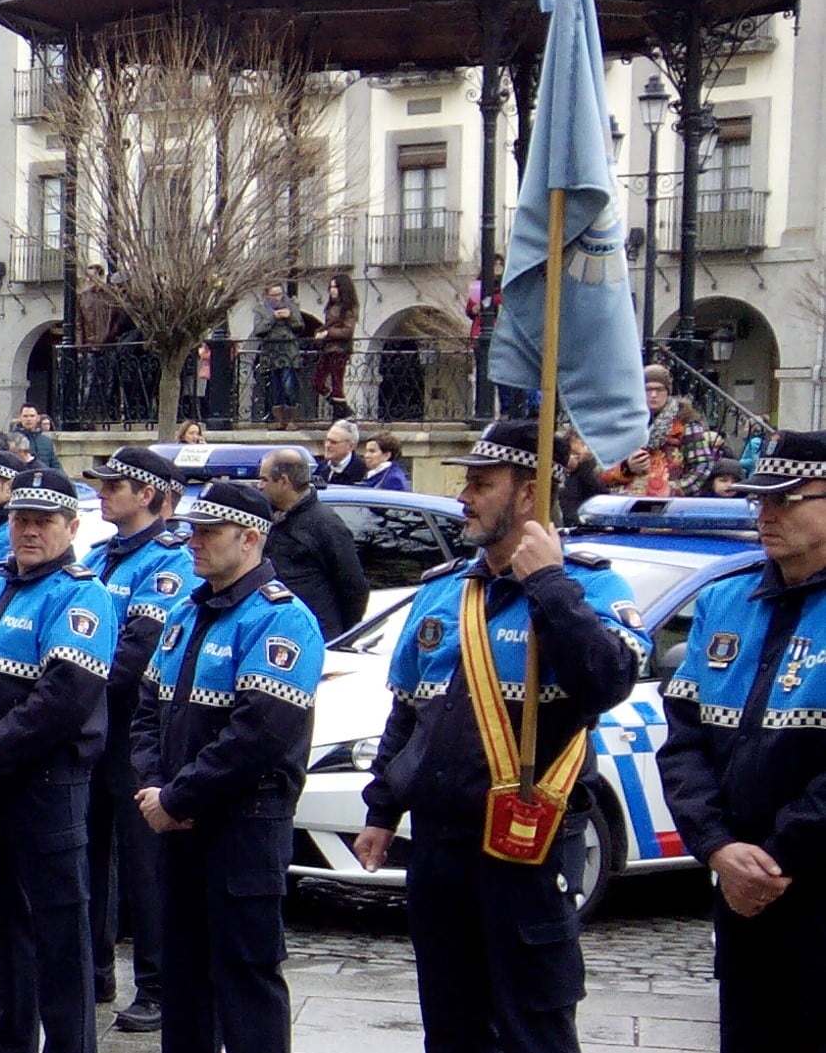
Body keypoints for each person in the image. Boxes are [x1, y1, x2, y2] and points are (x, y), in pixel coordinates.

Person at [353, 421, 650, 1053]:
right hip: (440, 846)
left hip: (529, 846)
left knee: (530, 1026)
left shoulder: (592, 587)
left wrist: (547, 584)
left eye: (482, 484)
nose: (464, 496)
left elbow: (605, 680)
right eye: (466, 481)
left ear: (528, 495)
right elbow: (406, 711)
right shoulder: (443, 592)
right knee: (451, 1025)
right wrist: (383, 807)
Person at [0, 468, 117, 1053]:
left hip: (43, 784)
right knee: (0, 923)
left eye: (43, 522)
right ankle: (8, 1037)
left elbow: (61, 699)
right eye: (20, 520)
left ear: (71, 527)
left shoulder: (82, 595)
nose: (29, 532)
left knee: (59, 929)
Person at [132, 481, 324, 1053]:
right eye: (193, 530)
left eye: (209, 532)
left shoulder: (281, 619)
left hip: (243, 825)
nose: (194, 542)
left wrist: (178, 798)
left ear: (250, 538)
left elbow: (259, 734)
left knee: (246, 978)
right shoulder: (187, 614)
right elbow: (149, 714)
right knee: (183, 979)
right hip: (178, 825)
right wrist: (153, 786)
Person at [659, 431, 826, 1053]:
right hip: (740, 890)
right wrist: (718, 846)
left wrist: (774, 857)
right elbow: (683, 741)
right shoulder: (725, 600)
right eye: (761, 500)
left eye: (788, 499)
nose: (767, 515)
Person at [80, 447, 199, 1032]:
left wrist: (76, 685)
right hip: (90, 724)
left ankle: (156, 984)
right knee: (88, 850)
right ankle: (94, 967)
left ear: (148, 493)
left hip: (133, 725)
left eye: (114, 485)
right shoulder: (102, 557)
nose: (103, 493)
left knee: (145, 861)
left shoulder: (167, 560)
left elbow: (138, 649)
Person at [260, 449, 369, 640]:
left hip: (314, 635)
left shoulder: (325, 524)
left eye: (264, 479)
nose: (259, 486)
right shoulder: (269, 517)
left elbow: (354, 587)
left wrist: (339, 636)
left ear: (284, 481)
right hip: (275, 631)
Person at [600, 364, 716, 497]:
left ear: (668, 391)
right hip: (627, 503)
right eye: (648, 389)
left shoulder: (685, 422)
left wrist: (675, 490)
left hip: (670, 507)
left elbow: (703, 465)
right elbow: (602, 469)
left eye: (659, 389)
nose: (653, 395)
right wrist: (627, 468)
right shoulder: (625, 423)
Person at [253, 284, 303, 431]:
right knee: (275, 388)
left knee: (289, 386)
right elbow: (259, 330)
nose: (277, 298)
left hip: (289, 353)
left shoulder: (291, 307)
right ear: (267, 296)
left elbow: (300, 326)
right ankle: (279, 420)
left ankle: (292, 419)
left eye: (280, 294)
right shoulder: (261, 310)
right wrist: (273, 317)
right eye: (274, 295)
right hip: (271, 353)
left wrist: (290, 316)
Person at [315, 274, 357, 420]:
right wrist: (320, 332)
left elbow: (347, 331)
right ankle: (342, 410)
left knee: (337, 383)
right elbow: (329, 325)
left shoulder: (348, 308)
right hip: (328, 350)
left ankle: (340, 413)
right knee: (317, 382)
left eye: (336, 287)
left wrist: (327, 333)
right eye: (331, 287)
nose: (332, 290)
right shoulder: (331, 307)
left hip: (339, 350)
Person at [315, 420, 367, 486]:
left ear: (351, 446)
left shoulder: (362, 472)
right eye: (327, 440)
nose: (327, 445)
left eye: (333, 442)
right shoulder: (321, 467)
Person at [13, 404, 62, 468]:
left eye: (32, 416)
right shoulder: (12, 440)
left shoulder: (47, 441)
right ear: (20, 418)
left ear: (38, 418)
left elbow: (56, 466)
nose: (29, 419)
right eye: (25, 416)